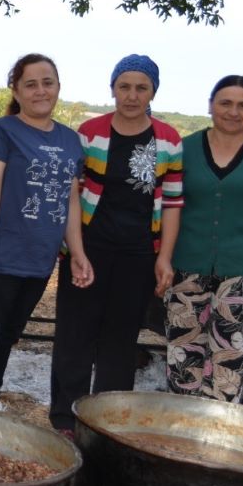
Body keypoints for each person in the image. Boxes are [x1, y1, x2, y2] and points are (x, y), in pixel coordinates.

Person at [49, 54, 182, 435]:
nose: (131, 95)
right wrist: (75, 251)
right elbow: (71, 196)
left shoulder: (168, 140)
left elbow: (172, 203)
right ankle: (65, 419)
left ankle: (104, 421)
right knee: (75, 333)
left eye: (141, 87)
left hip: (139, 254)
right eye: (124, 86)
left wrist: (165, 258)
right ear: (113, 88)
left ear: (153, 91)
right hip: (88, 248)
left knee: (120, 340)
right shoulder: (89, 133)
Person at [0, 54, 90, 409]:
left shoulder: (70, 141)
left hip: (40, 259)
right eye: (30, 84)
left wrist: (76, 252)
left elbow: (71, 201)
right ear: (15, 90)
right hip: (0, 256)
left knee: (6, 340)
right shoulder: (1, 132)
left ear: (58, 88)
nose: (40, 90)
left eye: (47, 83)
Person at [165, 75, 243, 401]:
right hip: (186, 271)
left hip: (242, 277)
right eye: (225, 103)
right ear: (210, 105)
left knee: (228, 365)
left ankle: (213, 440)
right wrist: (162, 260)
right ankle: (175, 435)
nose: (233, 112)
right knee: (183, 360)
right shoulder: (183, 149)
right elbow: (167, 208)